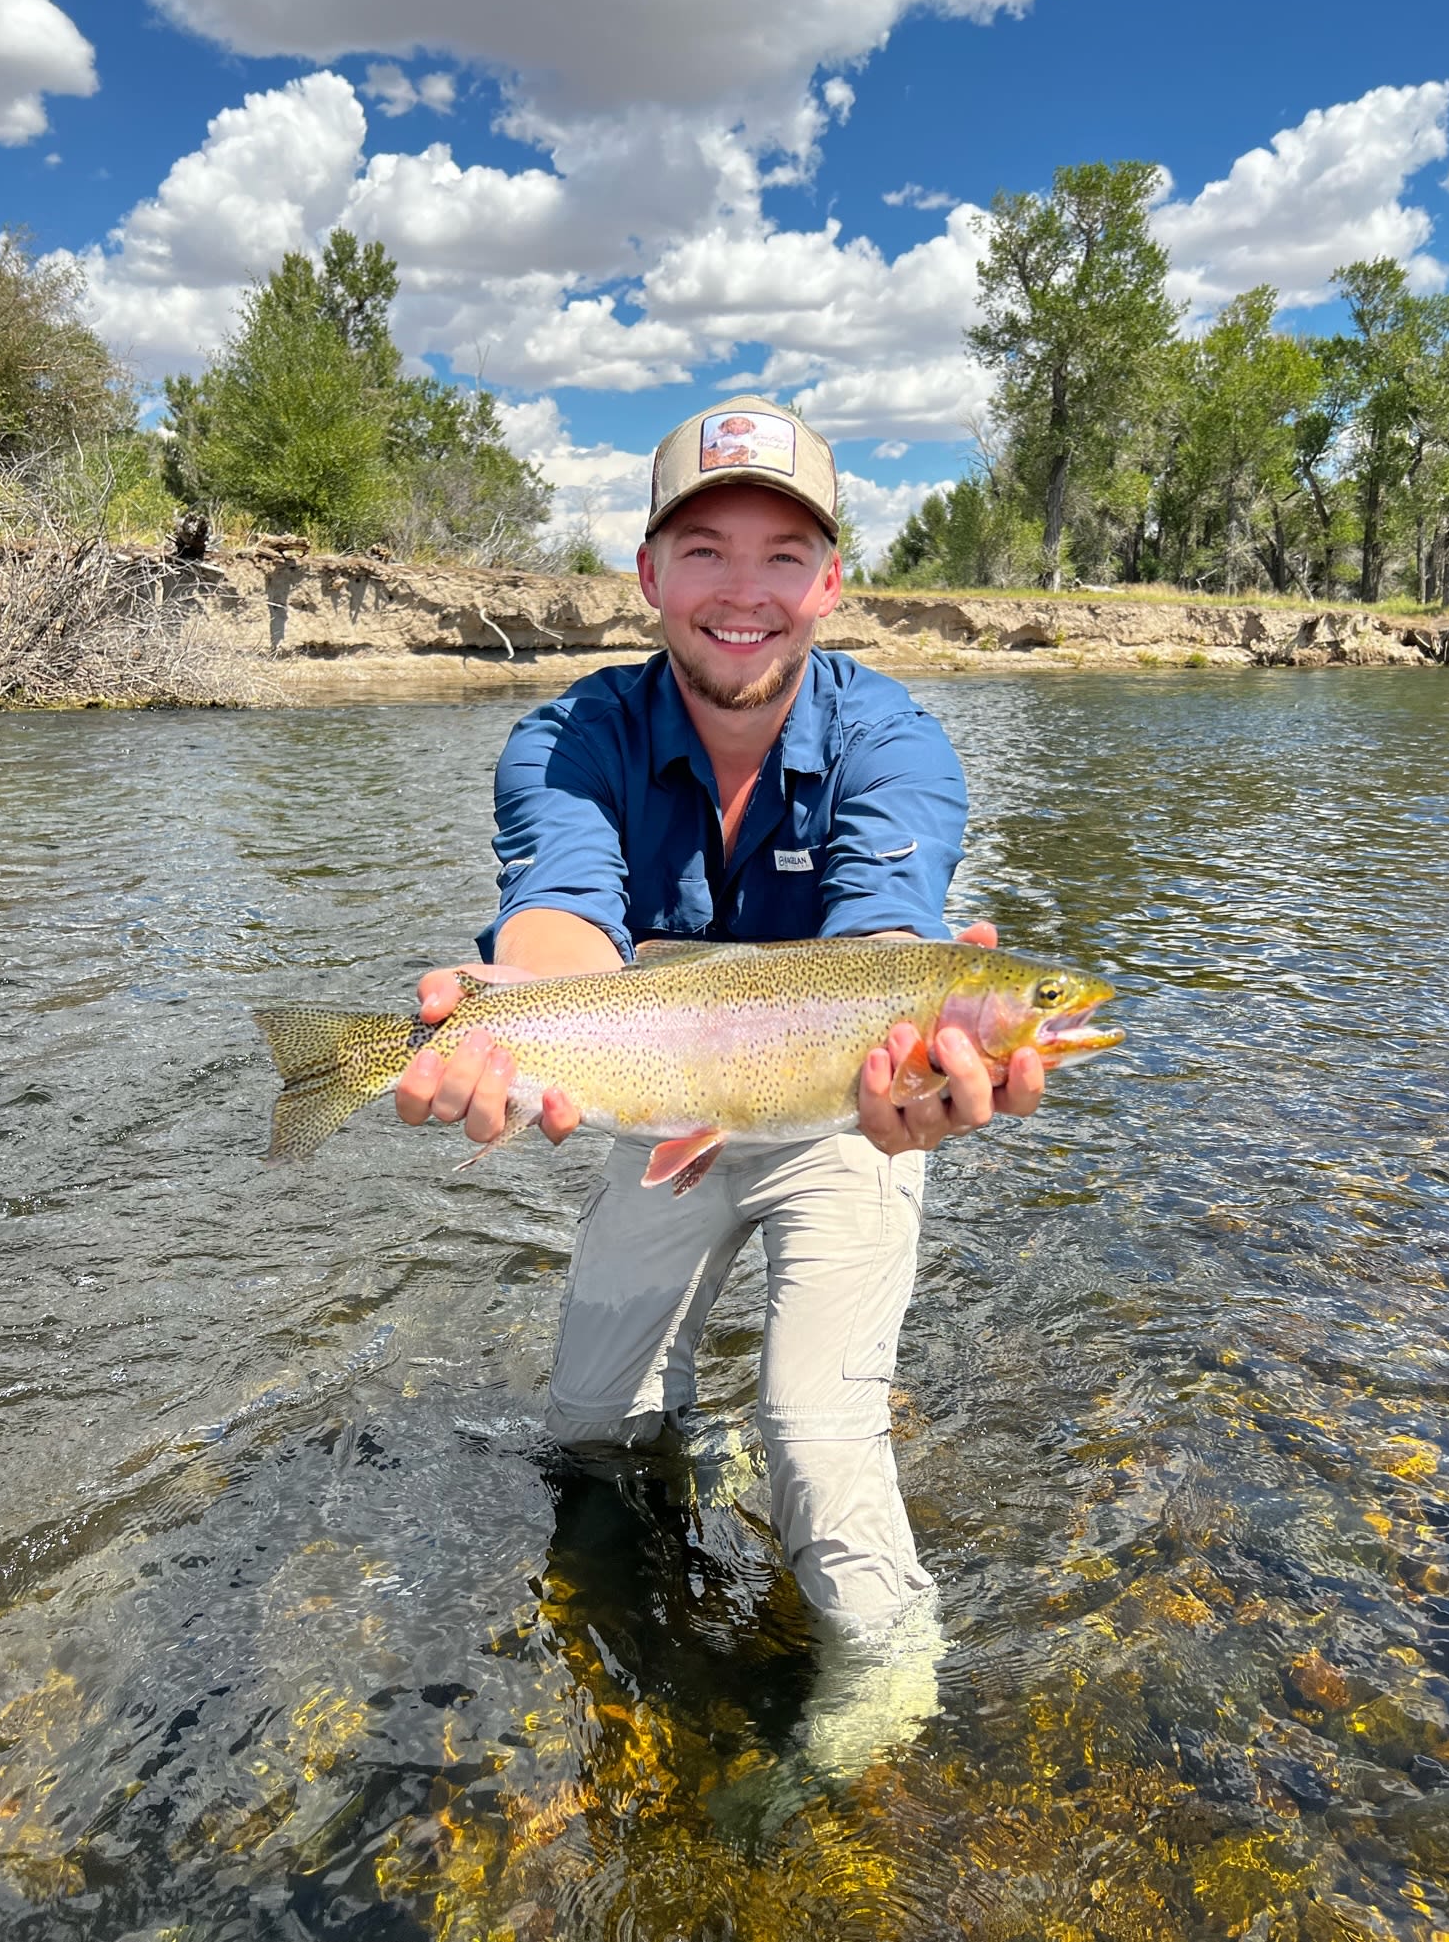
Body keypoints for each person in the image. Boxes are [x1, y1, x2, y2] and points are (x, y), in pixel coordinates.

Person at [394, 394, 1045, 1658]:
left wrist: (914, 1067)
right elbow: (559, 925)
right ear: (646, 573)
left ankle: (885, 1696)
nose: (742, 591)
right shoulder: (569, 737)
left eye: (782, 556)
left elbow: (881, 953)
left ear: (831, 581)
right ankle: (637, 1594)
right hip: (661, 1099)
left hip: (840, 1111)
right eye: (704, 550)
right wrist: (503, 1025)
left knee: (821, 1446)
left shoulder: (896, 740)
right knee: (589, 1427)